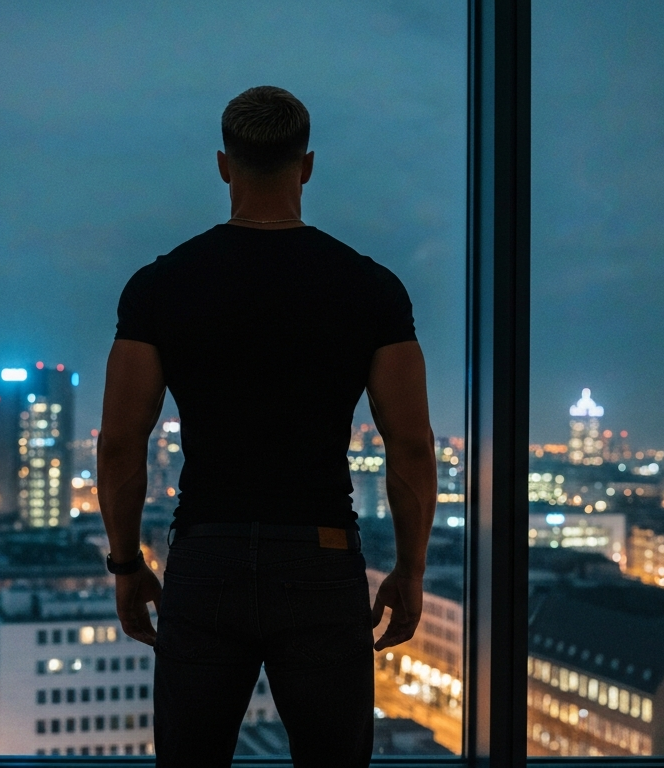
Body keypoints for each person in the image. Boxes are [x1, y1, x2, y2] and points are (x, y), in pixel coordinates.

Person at [97, 85, 437, 768]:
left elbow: (121, 444)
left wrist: (127, 564)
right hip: (321, 557)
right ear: (306, 166)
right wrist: (410, 568)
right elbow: (409, 445)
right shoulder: (371, 289)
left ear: (224, 165)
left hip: (207, 556)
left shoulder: (160, 286)